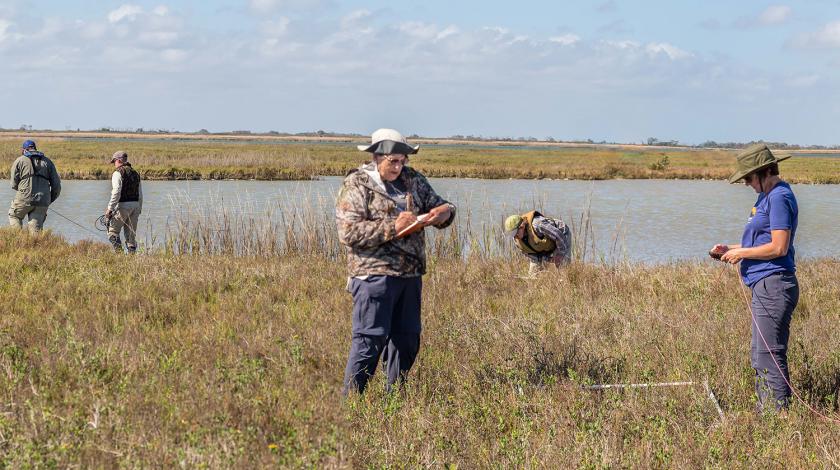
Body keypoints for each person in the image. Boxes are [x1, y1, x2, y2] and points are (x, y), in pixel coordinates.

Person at [337, 128, 456, 395]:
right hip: (372, 276)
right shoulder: (357, 185)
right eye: (393, 161)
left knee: (407, 339)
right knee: (370, 339)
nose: (399, 166)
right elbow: (348, 233)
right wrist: (393, 227)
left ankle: (395, 399)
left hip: (410, 275)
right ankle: (352, 403)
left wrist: (444, 212)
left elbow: (440, 205)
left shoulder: (413, 180)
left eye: (403, 160)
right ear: (377, 157)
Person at [711, 143, 798, 412]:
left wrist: (743, 253)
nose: (747, 183)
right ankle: (766, 414)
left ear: (764, 172)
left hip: (774, 284)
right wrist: (732, 249)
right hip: (762, 284)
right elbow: (760, 240)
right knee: (759, 354)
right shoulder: (765, 196)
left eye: (748, 178)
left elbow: (778, 247)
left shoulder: (780, 197)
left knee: (769, 354)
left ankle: (777, 420)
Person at [9, 140, 61, 233]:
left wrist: (23, 192)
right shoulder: (48, 162)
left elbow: (13, 184)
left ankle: (18, 239)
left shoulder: (19, 160)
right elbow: (56, 186)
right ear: (35, 148)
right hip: (43, 200)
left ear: (24, 150)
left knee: (14, 216)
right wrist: (49, 200)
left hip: (24, 198)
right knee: (35, 230)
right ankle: (35, 245)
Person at [503, 211, 572, 276]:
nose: (515, 236)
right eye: (513, 234)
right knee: (532, 275)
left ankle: (566, 283)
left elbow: (558, 236)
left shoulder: (538, 224)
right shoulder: (517, 239)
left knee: (562, 267)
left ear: (522, 226)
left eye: (516, 233)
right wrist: (548, 259)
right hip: (545, 244)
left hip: (561, 234)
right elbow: (531, 255)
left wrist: (559, 255)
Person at [105, 151, 143, 253]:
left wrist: (110, 209)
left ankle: (120, 255)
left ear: (118, 160)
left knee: (112, 232)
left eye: (114, 162)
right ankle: (131, 259)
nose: (114, 164)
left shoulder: (117, 173)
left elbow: (116, 191)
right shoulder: (136, 173)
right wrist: (139, 209)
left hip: (123, 206)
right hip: (135, 206)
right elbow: (140, 194)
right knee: (131, 238)